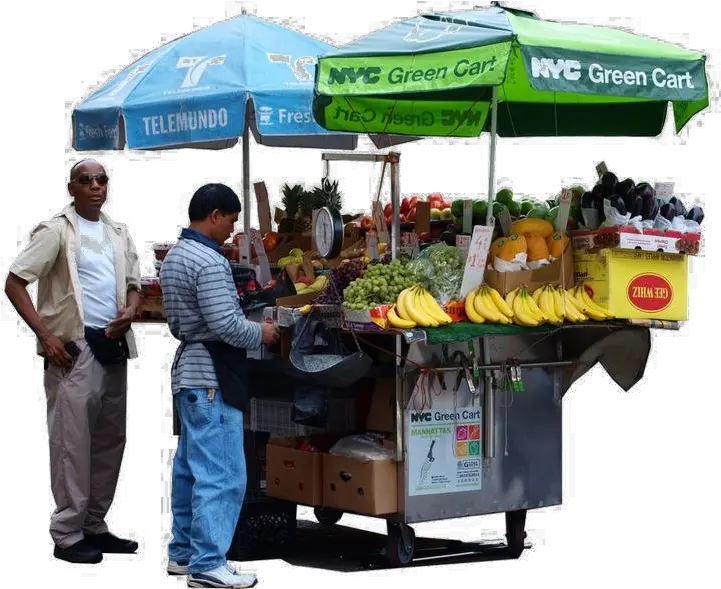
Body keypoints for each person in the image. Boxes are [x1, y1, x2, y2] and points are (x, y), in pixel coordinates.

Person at [5, 159, 141, 564]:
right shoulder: (56, 232)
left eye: (102, 179)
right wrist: (45, 336)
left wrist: (132, 310)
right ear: (72, 187)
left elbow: (135, 286)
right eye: (86, 180)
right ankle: (66, 531)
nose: (96, 186)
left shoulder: (117, 234)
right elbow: (15, 283)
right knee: (72, 443)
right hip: (74, 349)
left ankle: (95, 525)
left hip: (115, 345)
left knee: (109, 441)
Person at [160, 183, 278, 588]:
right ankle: (209, 563)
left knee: (191, 471)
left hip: (188, 374)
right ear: (214, 215)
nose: (230, 230)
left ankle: (182, 554)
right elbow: (226, 325)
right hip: (210, 378)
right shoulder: (208, 261)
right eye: (229, 221)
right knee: (224, 473)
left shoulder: (175, 255)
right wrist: (261, 333)